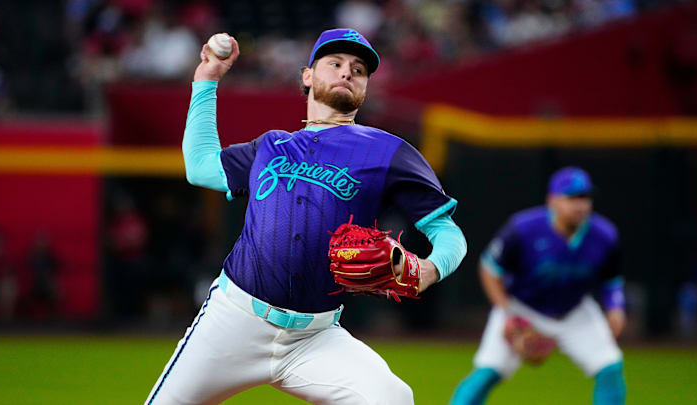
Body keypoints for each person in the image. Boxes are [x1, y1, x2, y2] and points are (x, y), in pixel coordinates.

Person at [145, 28, 467, 405]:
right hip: (232, 321)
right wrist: (206, 80)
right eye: (335, 63)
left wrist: (430, 269)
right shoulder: (270, 145)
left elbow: (449, 234)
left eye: (359, 70)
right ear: (307, 76)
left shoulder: (389, 152)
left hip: (314, 337)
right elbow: (200, 167)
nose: (348, 72)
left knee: (392, 397)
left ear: (364, 88)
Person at [449, 167, 627, 405]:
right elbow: (490, 270)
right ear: (552, 200)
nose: (580, 205)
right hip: (522, 308)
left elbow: (611, 279)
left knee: (610, 368)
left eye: (585, 198)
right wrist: (506, 312)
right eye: (572, 197)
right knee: (487, 372)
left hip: (573, 311)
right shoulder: (523, 228)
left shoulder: (604, 235)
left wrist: (615, 307)